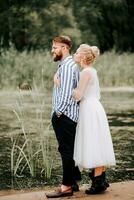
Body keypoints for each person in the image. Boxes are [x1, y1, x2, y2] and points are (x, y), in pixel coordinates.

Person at [73, 44, 116, 194]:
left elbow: (78, 95)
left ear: (83, 57)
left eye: (77, 52)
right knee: (97, 142)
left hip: (89, 109)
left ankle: (98, 184)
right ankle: (101, 180)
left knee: (94, 143)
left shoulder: (85, 72)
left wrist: (63, 86)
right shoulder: (91, 70)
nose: (75, 54)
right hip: (94, 107)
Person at [46, 36, 81, 198]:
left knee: (66, 151)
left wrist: (57, 113)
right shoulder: (65, 65)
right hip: (66, 115)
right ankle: (73, 182)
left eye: (55, 47)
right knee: (68, 150)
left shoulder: (67, 67)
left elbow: (67, 94)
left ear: (65, 48)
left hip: (65, 115)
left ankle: (66, 187)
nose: (52, 50)